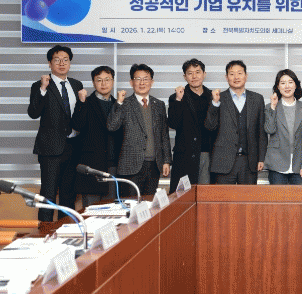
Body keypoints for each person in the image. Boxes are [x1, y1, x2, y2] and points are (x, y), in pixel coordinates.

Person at [27, 45, 83, 221]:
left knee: (68, 194)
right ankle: (44, 232)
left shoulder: (76, 85)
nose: (61, 63)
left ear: (70, 63)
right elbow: (33, 113)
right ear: (50, 63)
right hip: (50, 149)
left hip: (72, 147)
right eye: (57, 60)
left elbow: (79, 115)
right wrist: (43, 89)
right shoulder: (39, 85)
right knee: (48, 193)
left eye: (65, 60)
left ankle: (66, 230)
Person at [107, 64, 171, 196]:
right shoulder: (124, 103)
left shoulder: (159, 105)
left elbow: (164, 135)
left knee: (149, 204)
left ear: (152, 82)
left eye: (146, 79)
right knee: (131, 203)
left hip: (154, 165)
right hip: (130, 165)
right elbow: (112, 126)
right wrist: (118, 103)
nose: (142, 83)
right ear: (131, 82)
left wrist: (166, 160)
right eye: (138, 79)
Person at [205, 60, 267, 185]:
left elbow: (261, 131)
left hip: (249, 161)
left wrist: (261, 158)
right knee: (224, 197)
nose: (236, 77)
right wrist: (215, 103)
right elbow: (210, 127)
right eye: (232, 74)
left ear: (246, 76)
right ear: (226, 77)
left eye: (239, 73)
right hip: (223, 161)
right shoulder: (218, 98)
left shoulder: (257, 99)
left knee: (248, 197)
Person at [71, 66, 122, 206]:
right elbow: (77, 125)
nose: (103, 84)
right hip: (92, 166)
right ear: (93, 83)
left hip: (113, 166)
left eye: (107, 79)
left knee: (112, 211)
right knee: (91, 211)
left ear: (113, 81)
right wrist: (81, 102)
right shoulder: (86, 102)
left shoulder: (118, 104)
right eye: (99, 80)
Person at [167, 58, 215, 193]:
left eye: (198, 72)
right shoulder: (176, 97)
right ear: (184, 77)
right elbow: (173, 123)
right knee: (182, 197)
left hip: (206, 154)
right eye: (190, 73)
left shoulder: (213, 97)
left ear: (204, 74)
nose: (194, 76)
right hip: (185, 156)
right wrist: (178, 100)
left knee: (205, 196)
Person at [263, 69, 302, 185]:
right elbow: (269, 129)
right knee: (278, 197)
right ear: (278, 86)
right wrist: (273, 107)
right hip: (276, 164)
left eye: (290, 82)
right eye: (283, 83)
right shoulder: (270, 107)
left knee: (299, 197)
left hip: (299, 165)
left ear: (296, 85)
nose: (287, 86)